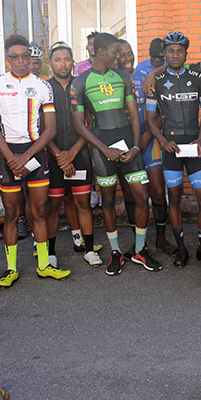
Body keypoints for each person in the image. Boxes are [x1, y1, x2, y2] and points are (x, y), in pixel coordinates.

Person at [71, 32, 162, 276]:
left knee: (142, 197)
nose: (118, 57)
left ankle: (140, 250)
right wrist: (103, 149)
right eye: (114, 52)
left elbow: (134, 115)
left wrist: (134, 147)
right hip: (102, 149)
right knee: (108, 201)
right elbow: (79, 124)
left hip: (127, 145)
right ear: (101, 52)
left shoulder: (122, 77)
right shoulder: (80, 82)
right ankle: (115, 252)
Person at [0, 34, 71, 288]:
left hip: (35, 153)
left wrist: (26, 156)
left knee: (40, 211)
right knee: (11, 213)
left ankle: (44, 265)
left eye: (25, 56)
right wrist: (12, 158)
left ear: (31, 57)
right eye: (15, 57)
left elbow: (51, 129)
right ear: (7, 57)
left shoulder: (42, 85)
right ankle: (10, 269)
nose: (21, 61)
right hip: (8, 154)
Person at [146, 31, 201, 267]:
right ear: (164, 53)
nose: (175, 55)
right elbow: (150, 118)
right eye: (170, 51)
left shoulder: (198, 77)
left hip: (193, 146)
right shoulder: (157, 81)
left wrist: (200, 139)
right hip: (170, 148)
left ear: (186, 53)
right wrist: (163, 142)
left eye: (179, 51)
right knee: (174, 197)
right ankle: (181, 248)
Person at [46, 41, 102, 268]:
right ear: (50, 63)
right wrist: (60, 155)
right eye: (58, 59)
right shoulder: (44, 88)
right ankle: (50, 252)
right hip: (53, 155)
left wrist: (72, 153)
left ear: (73, 61)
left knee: (83, 204)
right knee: (53, 206)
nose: (63, 64)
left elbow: (89, 122)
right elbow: (40, 127)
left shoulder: (81, 85)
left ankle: (89, 250)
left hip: (79, 154)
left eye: (67, 59)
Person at [118, 38, 171, 253]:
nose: (127, 58)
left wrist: (149, 135)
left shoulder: (144, 75)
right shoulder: (111, 82)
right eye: (121, 54)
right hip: (124, 145)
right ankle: (139, 243)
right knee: (131, 196)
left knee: (158, 191)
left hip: (149, 141)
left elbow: (160, 114)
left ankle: (161, 238)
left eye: (130, 53)